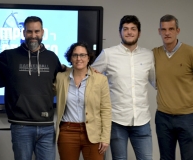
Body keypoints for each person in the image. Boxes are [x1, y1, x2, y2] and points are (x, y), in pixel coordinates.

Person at [0, 16, 64, 160]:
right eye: (29, 32)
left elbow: (64, 79)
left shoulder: (52, 58)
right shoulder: (9, 56)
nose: (33, 36)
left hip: (46, 126)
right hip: (21, 126)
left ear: (43, 32)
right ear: (23, 33)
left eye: (37, 32)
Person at [92, 15, 155, 160]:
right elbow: (91, 78)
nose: (129, 32)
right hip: (116, 120)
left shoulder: (148, 55)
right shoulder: (108, 54)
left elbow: (156, 82)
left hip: (142, 120)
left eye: (133, 29)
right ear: (120, 32)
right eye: (125, 29)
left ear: (139, 32)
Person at [54, 42, 111, 160]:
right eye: (75, 55)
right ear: (70, 58)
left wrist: (105, 137)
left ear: (88, 57)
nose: (79, 58)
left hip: (93, 132)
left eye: (82, 55)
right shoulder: (61, 78)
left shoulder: (100, 79)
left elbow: (106, 109)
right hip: (67, 131)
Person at [153, 14, 193, 160]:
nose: (167, 33)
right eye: (163, 29)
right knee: (166, 158)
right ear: (159, 31)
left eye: (171, 29)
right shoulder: (154, 54)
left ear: (178, 30)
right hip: (163, 117)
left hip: (188, 117)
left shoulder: (190, 52)